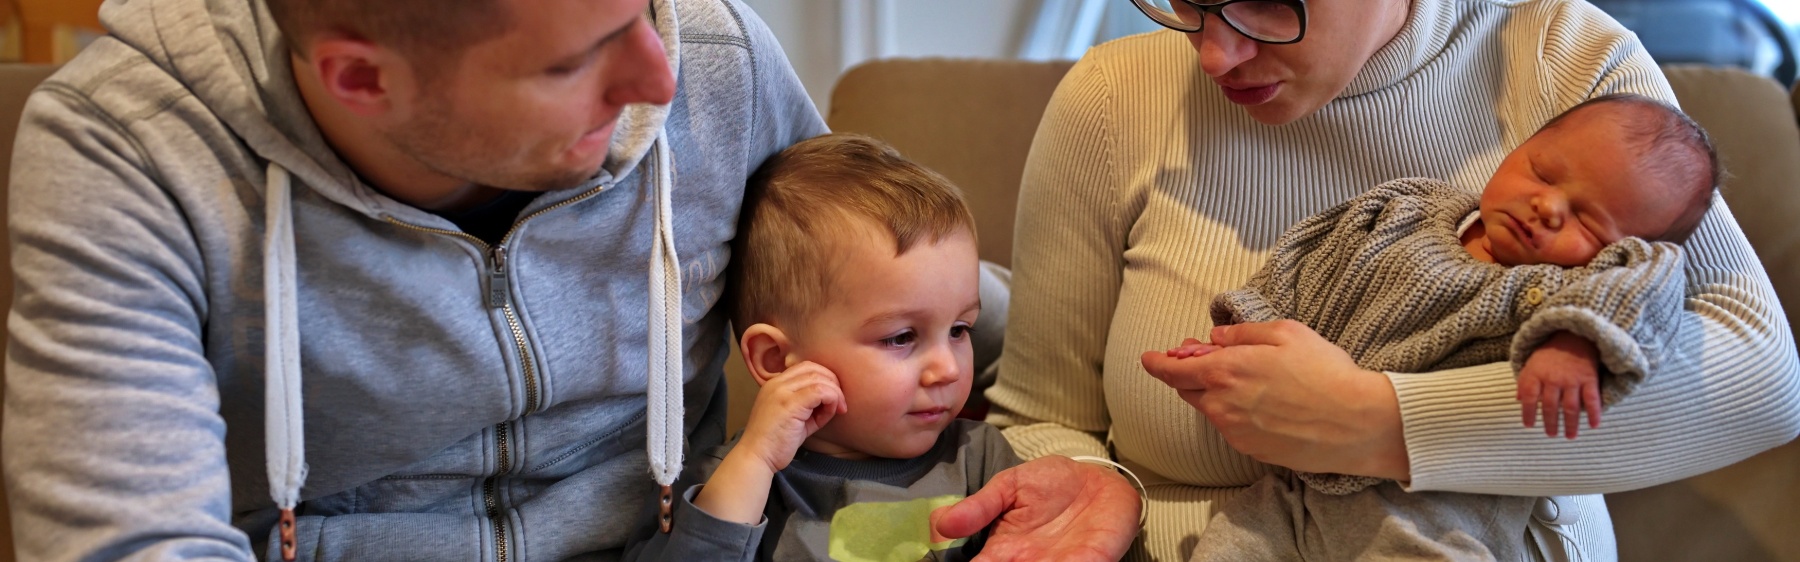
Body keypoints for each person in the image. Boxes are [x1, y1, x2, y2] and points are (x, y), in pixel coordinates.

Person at [0, 0, 1136, 560]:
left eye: (648, 5)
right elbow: (132, 543)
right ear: (359, 78)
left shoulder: (713, 56)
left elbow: (877, 288)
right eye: (576, 56)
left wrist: (1093, 449)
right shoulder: (130, 149)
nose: (662, 70)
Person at [982, 0, 1800, 559]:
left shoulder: (1556, 51)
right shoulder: (1114, 96)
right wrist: (1100, 486)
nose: (1214, 51)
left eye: (1269, 2)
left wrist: (1368, 423)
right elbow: (1044, 413)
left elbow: (1761, 379)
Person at [1178, 93, 1717, 561]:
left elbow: (1648, 286)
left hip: (1437, 511)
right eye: (1543, 173)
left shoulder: (1565, 285)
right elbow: (1313, 259)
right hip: (1293, 492)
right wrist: (1246, 333)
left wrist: (1576, 339)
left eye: (1588, 219)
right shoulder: (1408, 208)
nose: (1547, 206)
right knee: (1231, 544)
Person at [629, 133, 1026, 561]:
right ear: (777, 360)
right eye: (901, 337)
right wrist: (755, 463)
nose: (946, 369)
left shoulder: (980, 460)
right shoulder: (732, 482)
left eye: (960, 329)